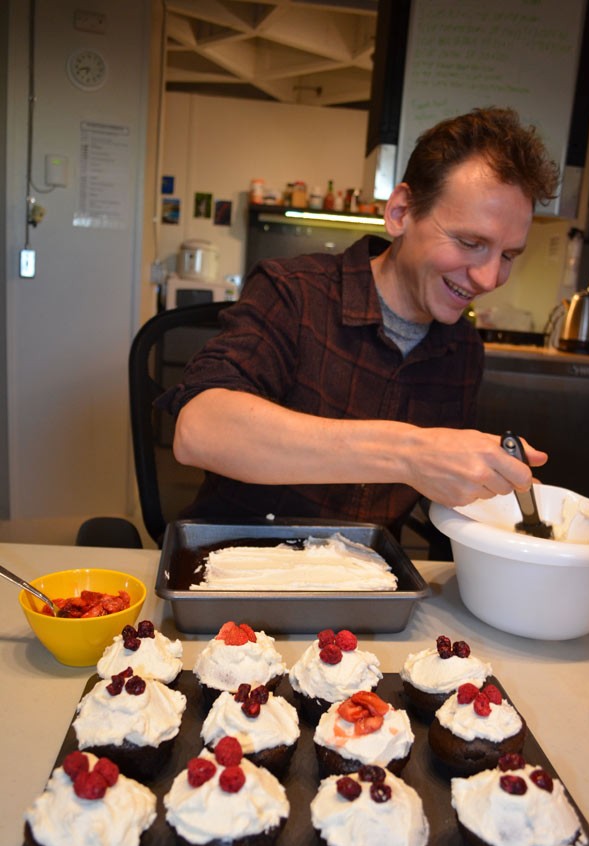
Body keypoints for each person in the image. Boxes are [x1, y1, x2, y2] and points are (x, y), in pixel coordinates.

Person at [162, 107, 559, 540]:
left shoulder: (461, 348)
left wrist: (490, 486)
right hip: (234, 564)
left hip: (361, 580)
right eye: (470, 242)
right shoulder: (293, 292)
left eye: (507, 256)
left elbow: (439, 490)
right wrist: (411, 452)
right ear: (401, 212)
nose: (488, 279)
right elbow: (199, 430)